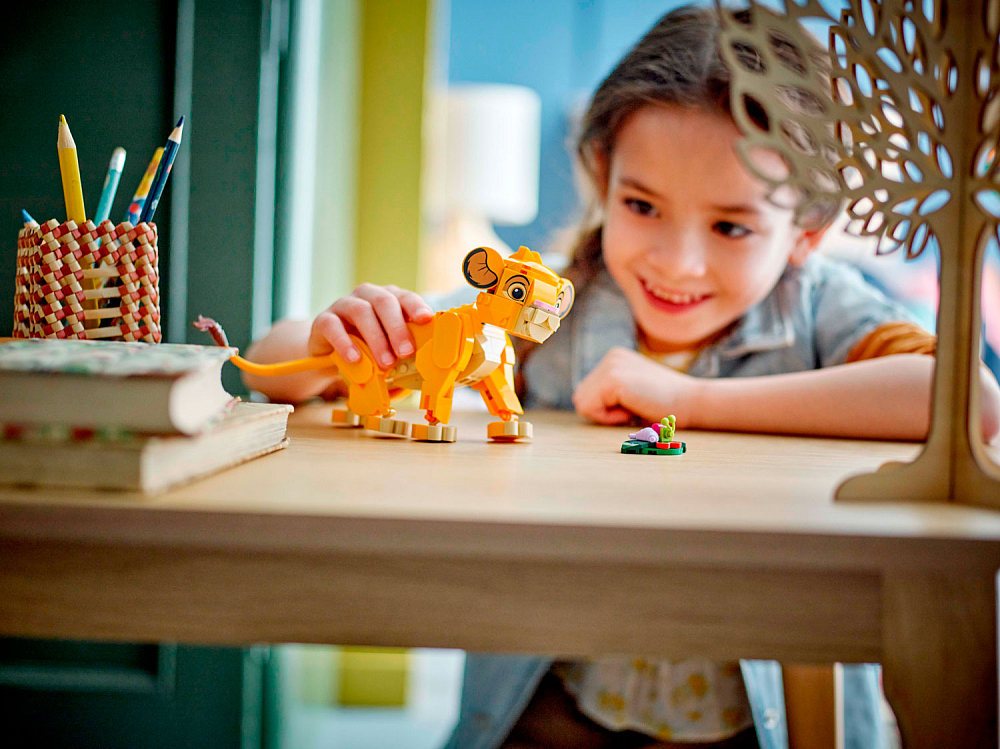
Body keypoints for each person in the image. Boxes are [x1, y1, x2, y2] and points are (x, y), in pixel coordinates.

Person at [241, 6, 1000, 748]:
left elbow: (970, 403)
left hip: (750, 723)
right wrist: (337, 334)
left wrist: (690, 400)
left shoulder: (821, 307)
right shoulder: (544, 303)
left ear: (807, 231)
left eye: (731, 226)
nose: (678, 262)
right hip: (555, 708)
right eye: (642, 205)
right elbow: (273, 368)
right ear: (602, 177)